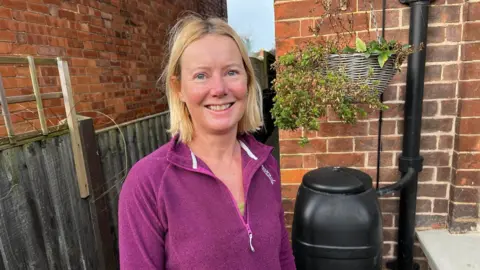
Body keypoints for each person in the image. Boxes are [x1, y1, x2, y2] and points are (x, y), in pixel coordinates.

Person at [118, 14, 296, 270]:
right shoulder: (148, 183)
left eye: (231, 72)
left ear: (247, 80)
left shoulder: (265, 164)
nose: (219, 88)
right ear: (178, 88)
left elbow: (282, 258)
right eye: (201, 76)